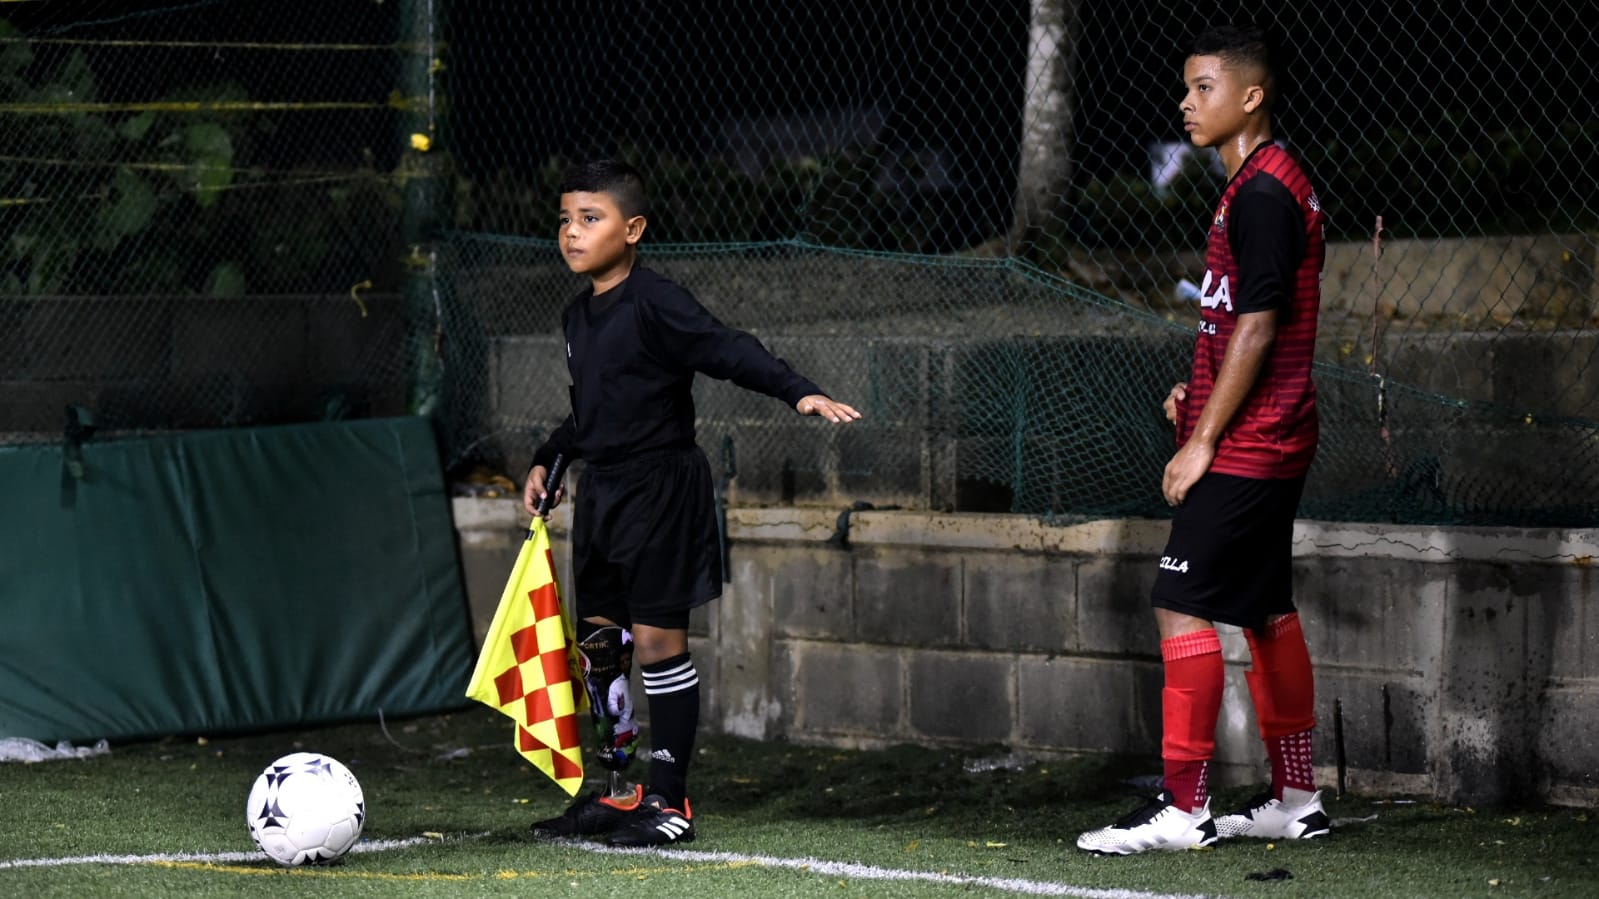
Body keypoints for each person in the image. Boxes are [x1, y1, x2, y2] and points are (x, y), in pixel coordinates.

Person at [521, 159, 862, 847]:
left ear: (633, 228)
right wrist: (548, 458)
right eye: (565, 219)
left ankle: (670, 801)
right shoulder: (574, 315)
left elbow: (725, 347)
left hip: (661, 489)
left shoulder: (656, 300)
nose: (572, 232)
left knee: (653, 642)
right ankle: (618, 791)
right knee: (600, 647)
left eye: (591, 218)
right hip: (603, 493)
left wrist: (796, 389)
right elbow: (590, 410)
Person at [1076, 24, 1330, 855]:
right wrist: (1200, 384)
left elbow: (1258, 328)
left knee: (1177, 601)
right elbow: (1243, 321)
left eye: (1203, 88)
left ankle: (1182, 809)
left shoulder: (1260, 193)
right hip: (1270, 427)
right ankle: (1295, 797)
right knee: (1262, 609)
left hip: (1251, 441)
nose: (1186, 103)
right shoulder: (1262, 182)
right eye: (1185, 88)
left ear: (1249, 97)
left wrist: (1199, 441)